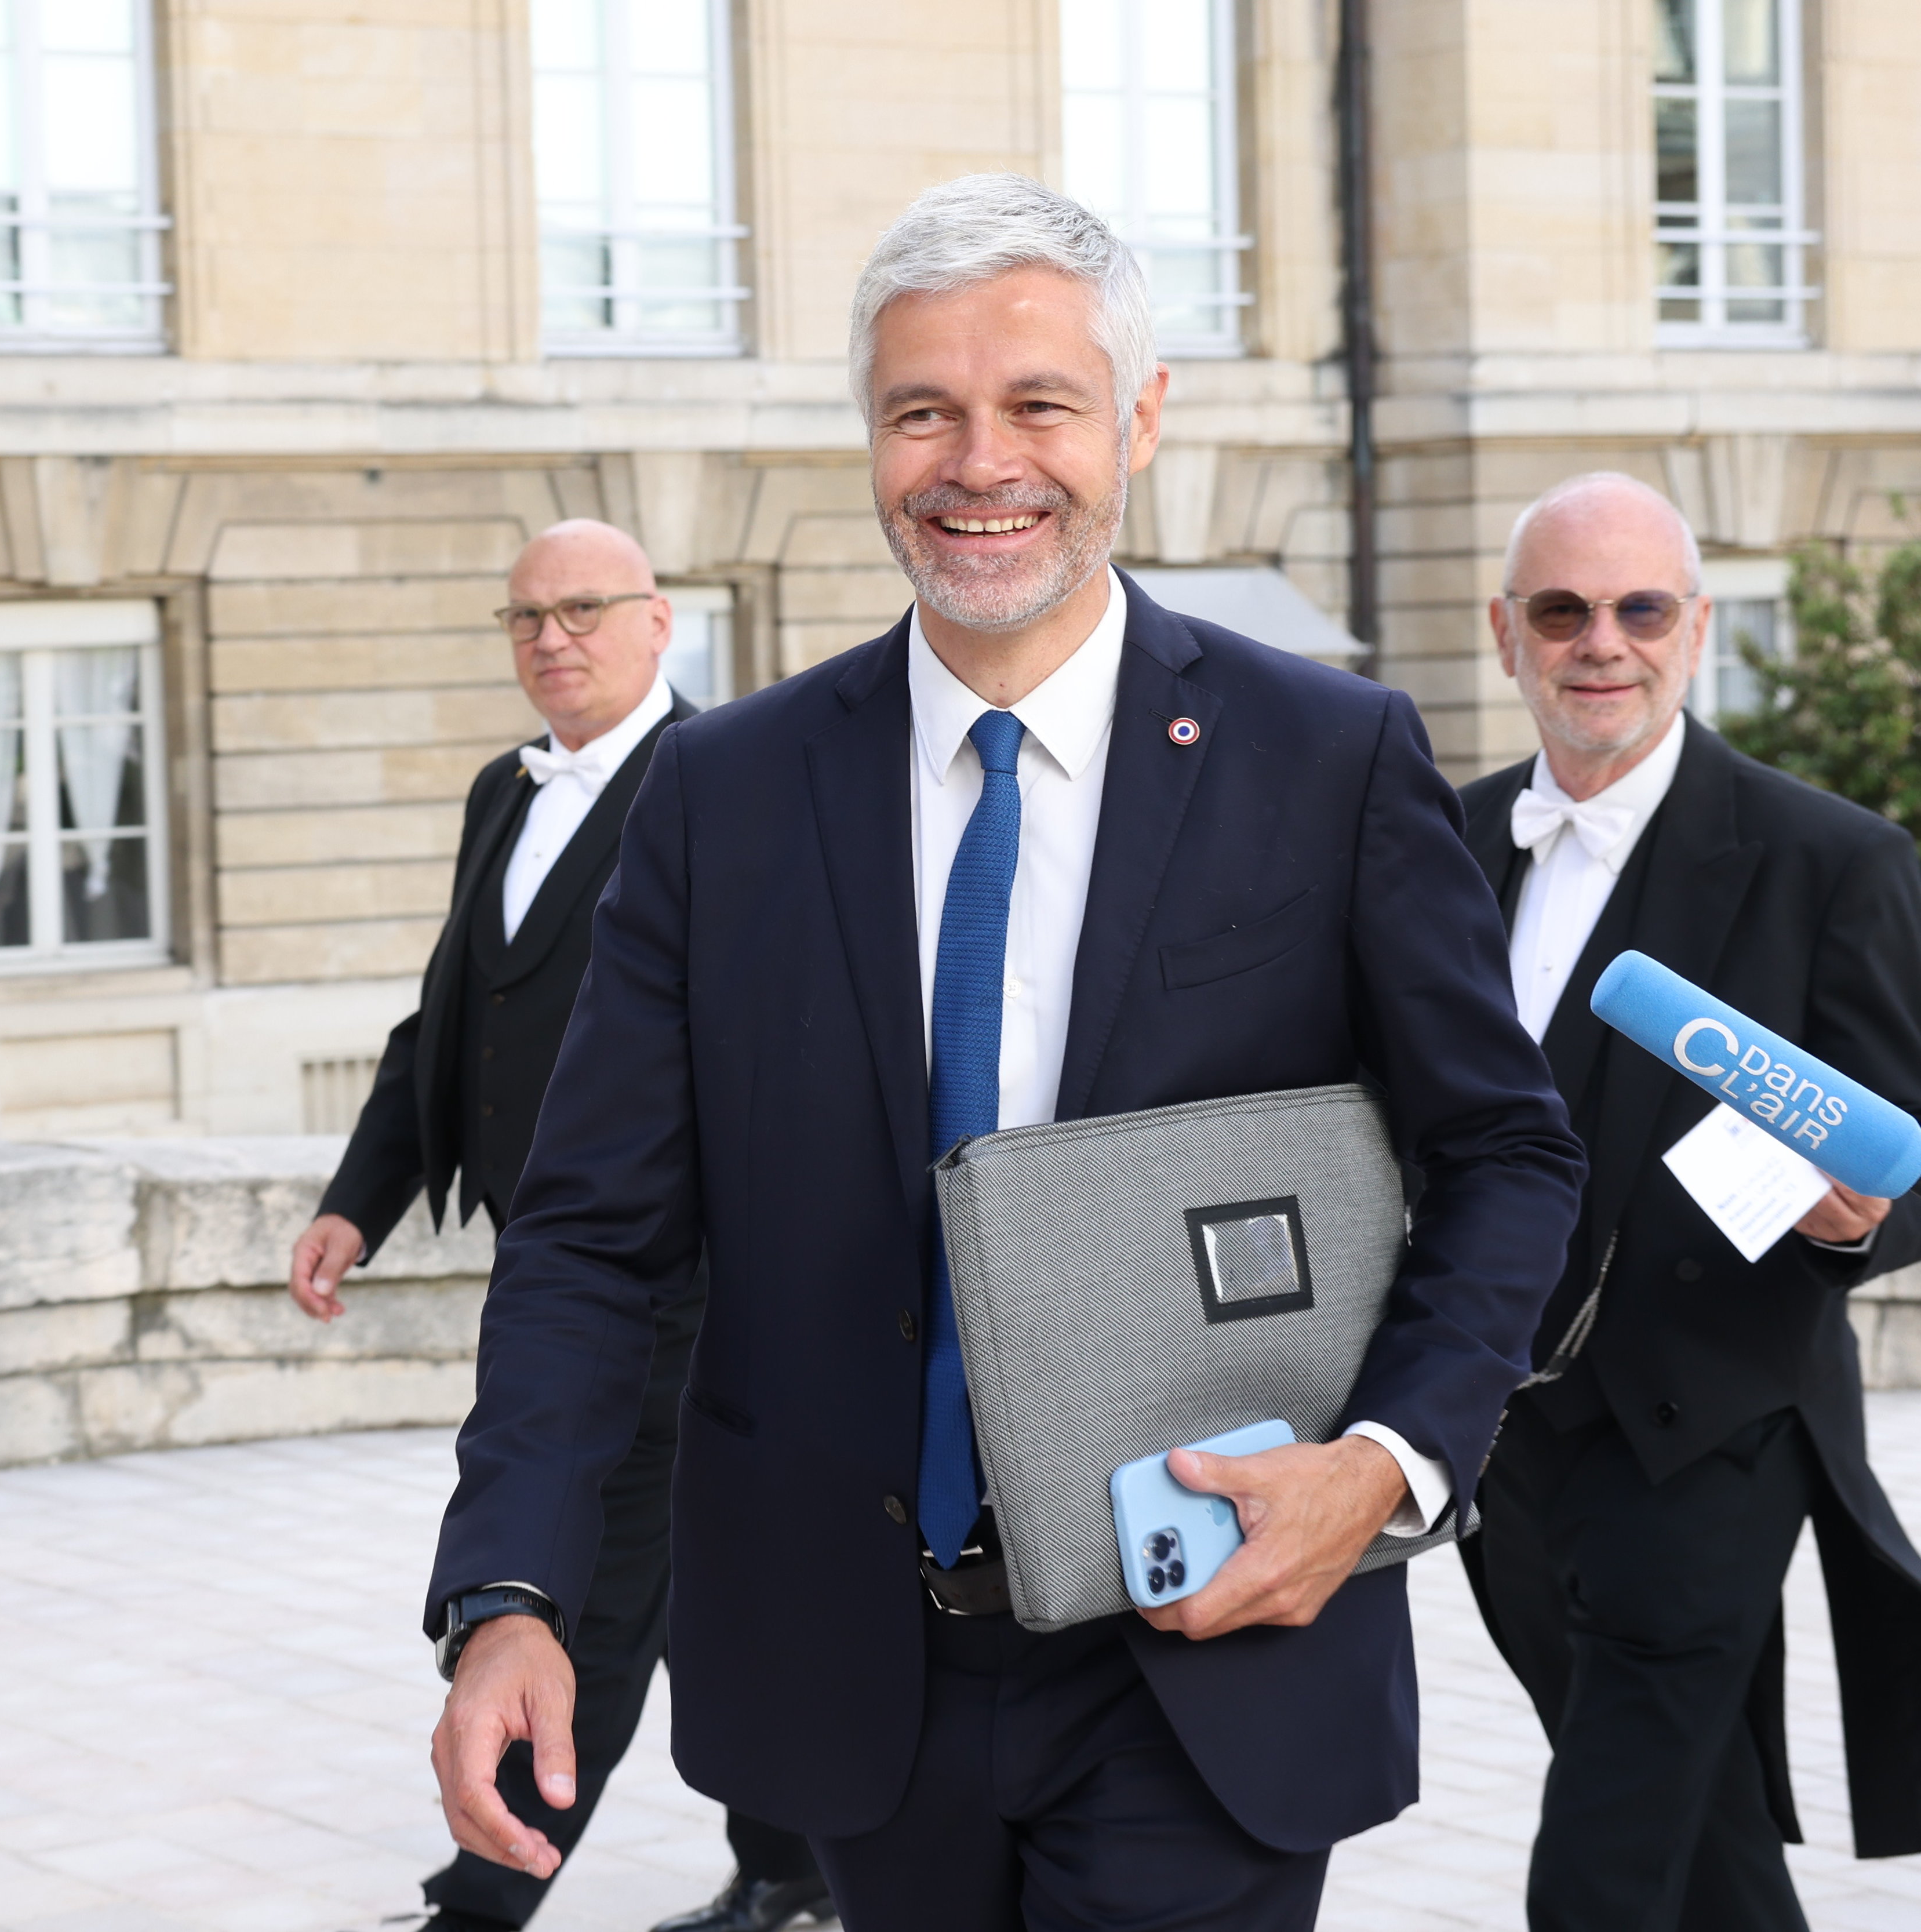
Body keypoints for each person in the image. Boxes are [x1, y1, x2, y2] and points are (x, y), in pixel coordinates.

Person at [417, 173, 1585, 1932]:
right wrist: (510, 1584)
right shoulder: (722, 795)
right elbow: (589, 1234)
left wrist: (1389, 1465)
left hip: (1212, 1641)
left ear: (1139, 417)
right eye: (922, 412)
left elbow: (1509, 1154)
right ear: (871, 434)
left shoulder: (1327, 757)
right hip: (852, 1669)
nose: (981, 462)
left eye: (1039, 403)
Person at [292, 519, 830, 1932]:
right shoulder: (502, 789)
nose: (553, 638)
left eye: (585, 609)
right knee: (722, 1582)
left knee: (579, 1580)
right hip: (555, 1265)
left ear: (661, 624)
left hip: (684, 1270)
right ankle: (794, 1868)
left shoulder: (726, 786)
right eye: (526, 616)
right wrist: (362, 1198)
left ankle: (484, 1900)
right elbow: (453, 1009)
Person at [1456, 472, 1921, 1930]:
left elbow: (1903, 1147)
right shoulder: (1437, 844)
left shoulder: (1829, 859)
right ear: (1507, 635)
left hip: (1711, 1423)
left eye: (1639, 607)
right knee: (1695, 1831)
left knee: (1600, 1853)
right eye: (1563, 610)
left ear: (1694, 627)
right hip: (1496, 1430)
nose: (1603, 641)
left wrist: (1858, 1218)